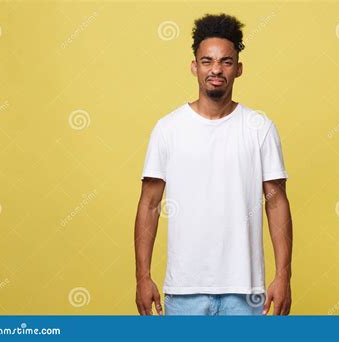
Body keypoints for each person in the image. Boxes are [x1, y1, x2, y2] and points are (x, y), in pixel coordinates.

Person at [134, 13, 293, 316]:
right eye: (207, 61)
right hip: (184, 292)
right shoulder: (168, 129)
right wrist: (143, 277)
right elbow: (149, 204)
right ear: (194, 66)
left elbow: (276, 203)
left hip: (246, 294)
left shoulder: (259, 127)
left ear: (239, 69)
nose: (216, 69)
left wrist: (283, 276)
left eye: (226, 61)